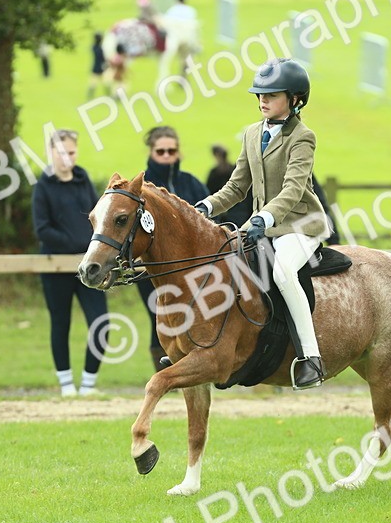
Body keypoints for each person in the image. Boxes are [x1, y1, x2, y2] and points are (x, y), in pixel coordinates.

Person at [195, 58, 332, 390]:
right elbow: (237, 186)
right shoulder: (252, 133)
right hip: (262, 226)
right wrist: (206, 206)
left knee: (283, 272)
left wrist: (264, 217)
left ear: (295, 99)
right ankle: (201, 346)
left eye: (271, 94)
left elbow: (293, 189)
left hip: (300, 225)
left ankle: (310, 358)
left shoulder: (303, 137)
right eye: (260, 94)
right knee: (221, 263)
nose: (262, 100)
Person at [33, 129, 110, 397]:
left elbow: (97, 215)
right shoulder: (43, 186)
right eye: (61, 152)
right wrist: (74, 244)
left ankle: (88, 384)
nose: (67, 157)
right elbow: (42, 229)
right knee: (60, 323)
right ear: (51, 153)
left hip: (89, 265)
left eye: (71, 152)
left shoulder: (82, 178)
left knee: (101, 323)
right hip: (55, 266)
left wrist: (91, 248)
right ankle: (66, 384)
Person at [137, 126, 209, 370]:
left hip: (193, 270)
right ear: (151, 152)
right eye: (161, 151)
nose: (167, 155)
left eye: (172, 150)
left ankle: (194, 367)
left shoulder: (191, 183)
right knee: (159, 319)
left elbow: (209, 222)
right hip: (152, 270)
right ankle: (166, 372)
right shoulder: (142, 189)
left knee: (197, 316)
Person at [205, 145, 249, 228]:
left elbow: (209, 191)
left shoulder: (214, 173)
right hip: (242, 213)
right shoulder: (235, 169)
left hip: (226, 214)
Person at [86, 32, 106, 99]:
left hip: (95, 67)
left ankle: (90, 95)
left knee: (93, 82)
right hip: (101, 68)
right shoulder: (100, 49)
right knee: (105, 82)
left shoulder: (93, 47)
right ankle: (108, 95)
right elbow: (103, 59)